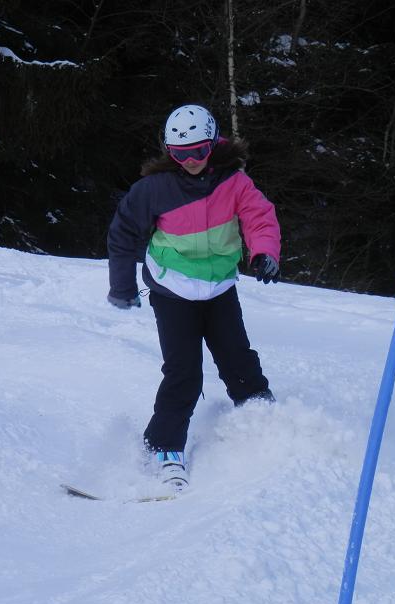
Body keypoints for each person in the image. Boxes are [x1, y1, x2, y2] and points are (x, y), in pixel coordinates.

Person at [106, 104, 281, 491]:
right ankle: (164, 448)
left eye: (199, 151)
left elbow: (259, 217)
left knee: (237, 357)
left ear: (213, 144)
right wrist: (122, 285)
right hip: (173, 290)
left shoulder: (233, 182)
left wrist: (264, 252)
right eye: (180, 154)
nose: (190, 161)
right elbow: (123, 233)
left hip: (219, 288)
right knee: (184, 371)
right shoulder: (155, 188)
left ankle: (264, 422)